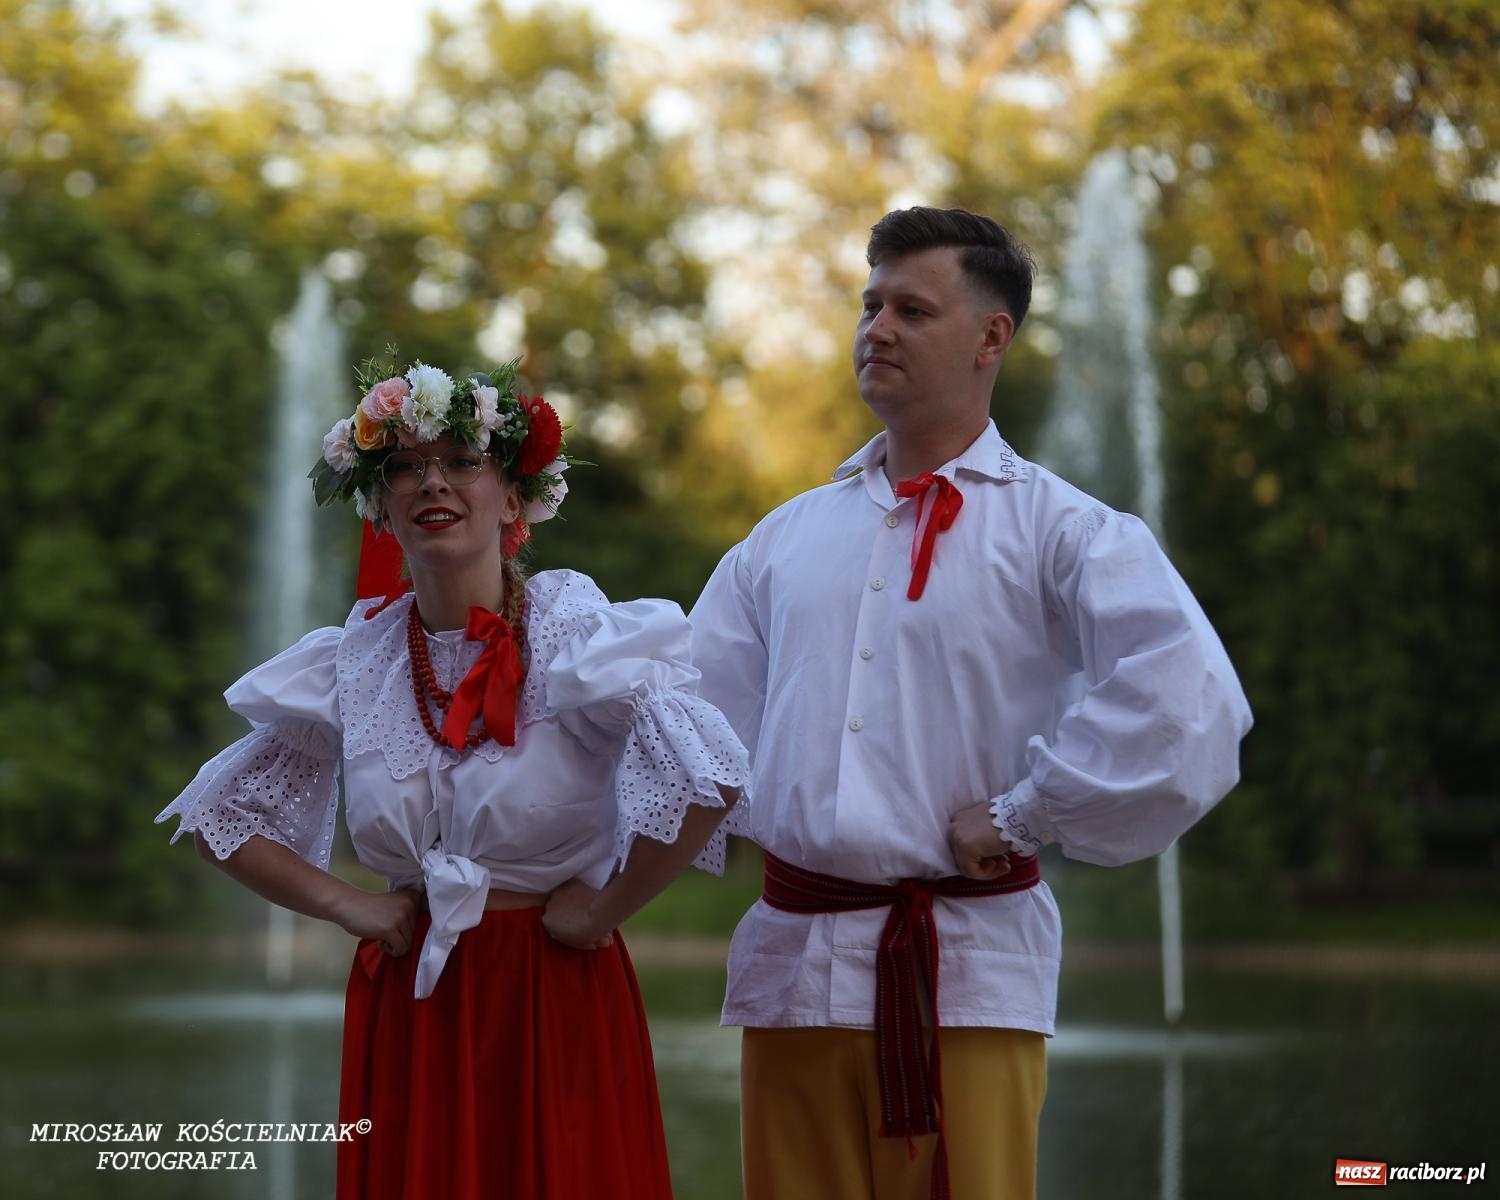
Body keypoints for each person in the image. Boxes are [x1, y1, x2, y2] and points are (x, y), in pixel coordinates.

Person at [688, 207, 1253, 1200]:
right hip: (793, 975)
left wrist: (1021, 813)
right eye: (870, 304)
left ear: (993, 337)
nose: (878, 329)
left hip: (966, 977)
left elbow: (1192, 697)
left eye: (912, 307)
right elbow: (686, 733)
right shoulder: (780, 541)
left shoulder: (1064, 530)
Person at [157, 353, 747, 1200]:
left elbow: (710, 777)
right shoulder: (358, 658)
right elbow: (220, 819)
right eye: (403, 469)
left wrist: (602, 911)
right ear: (381, 509)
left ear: (511, 498)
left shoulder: (575, 629)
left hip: (551, 993)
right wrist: (353, 906)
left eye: (463, 462)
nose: (432, 482)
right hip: (413, 1002)